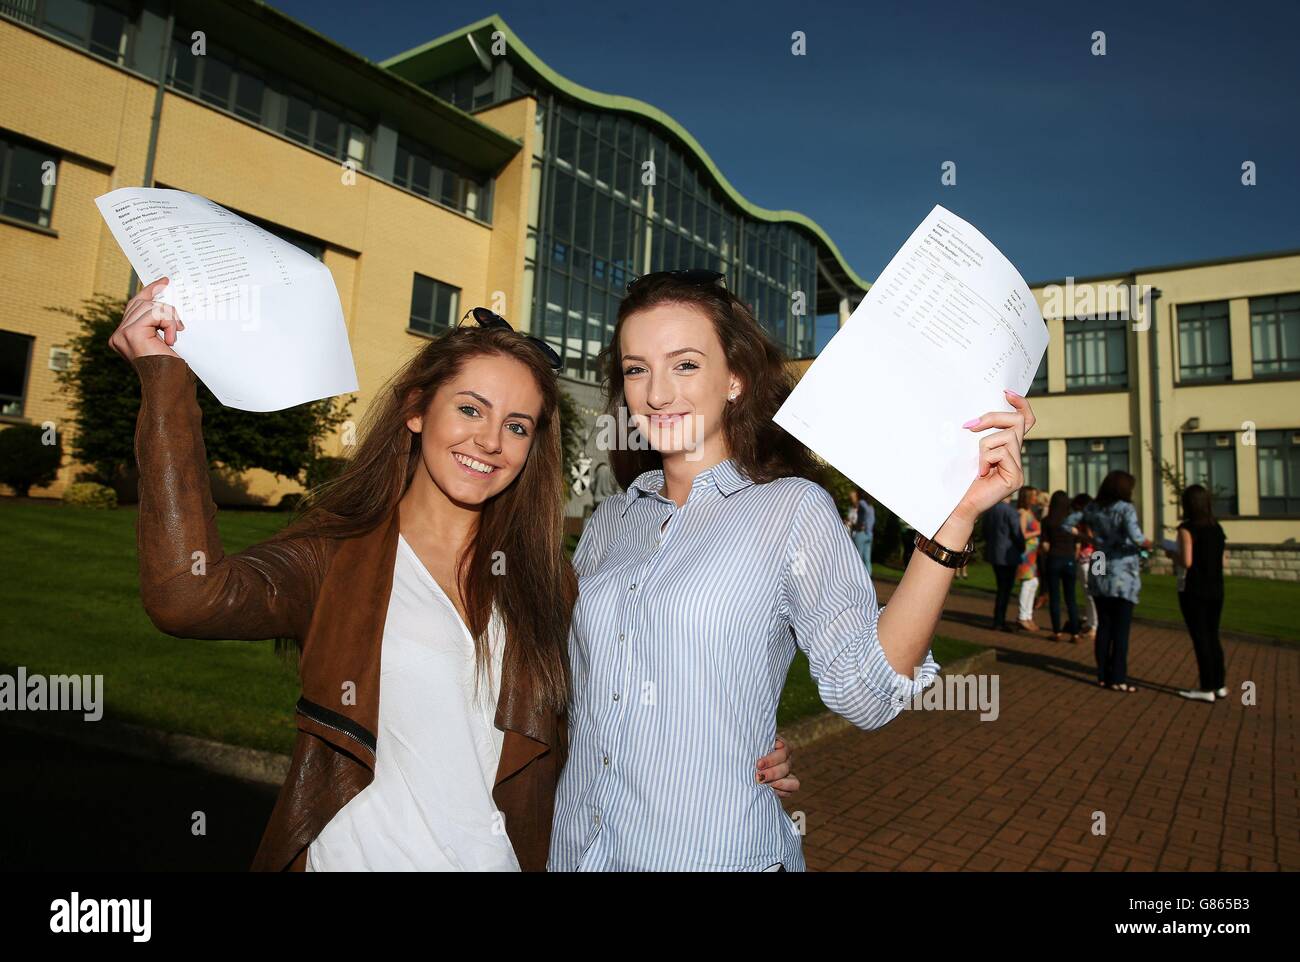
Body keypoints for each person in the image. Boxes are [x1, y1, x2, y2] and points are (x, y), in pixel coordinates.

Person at [111, 277, 795, 872]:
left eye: (518, 425)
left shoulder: (543, 581)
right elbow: (188, 596)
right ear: (417, 410)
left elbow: (616, 707)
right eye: (470, 408)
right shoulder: (336, 555)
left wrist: (738, 746)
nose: (490, 441)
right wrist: (165, 378)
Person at [548, 268, 1038, 871]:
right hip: (579, 851)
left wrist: (955, 519)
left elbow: (866, 690)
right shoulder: (609, 523)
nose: (656, 392)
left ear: (734, 379)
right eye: (636, 368)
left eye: (685, 364)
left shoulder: (790, 509)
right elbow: (575, 693)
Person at [1061, 471, 1151, 693]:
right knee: (1121, 629)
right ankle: (1118, 677)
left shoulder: (1092, 508)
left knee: (1104, 625)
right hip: (1122, 570)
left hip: (1099, 563)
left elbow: (1066, 523)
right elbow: (1137, 538)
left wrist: (1087, 538)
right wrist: (1150, 544)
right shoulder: (1125, 509)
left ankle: (1103, 674)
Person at [1169, 484, 1229, 703]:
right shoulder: (1217, 528)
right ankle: (1219, 683)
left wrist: (1171, 554)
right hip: (1216, 588)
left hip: (1194, 590)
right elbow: (1223, 559)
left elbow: (1186, 561)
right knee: (1213, 636)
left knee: (1201, 638)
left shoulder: (1187, 529)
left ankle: (1207, 687)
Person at [1040, 490, 1081, 642]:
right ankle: (1075, 633)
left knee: (1055, 597)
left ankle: (1057, 632)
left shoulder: (1047, 520)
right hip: (1069, 559)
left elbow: (1045, 545)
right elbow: (1077, 545)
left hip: (1054, 559)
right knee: (1071, 598)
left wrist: (1051, 554)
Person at [984, 492, 1025, 631]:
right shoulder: (1010, 512)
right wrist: (1022, 547)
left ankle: (998, 619)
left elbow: (985, 531)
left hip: (994, 553)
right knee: (1005, 589)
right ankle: (999, 621)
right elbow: (1017, 534)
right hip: (1008, 555)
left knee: (1001, 588)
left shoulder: (990, 511)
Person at [1071, 493, 1098, 641]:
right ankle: (1091, 622)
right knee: (1092, 592)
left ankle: (1094, 625)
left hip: (1088, 558)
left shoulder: (1087, 520)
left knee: (1090, 593)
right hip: (1098, 557)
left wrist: (1077, 533)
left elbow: (1091, 538)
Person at [1014, 486, 1041, 632]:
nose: (1036, 498)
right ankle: (1022, 617)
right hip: (1026, 553)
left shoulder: (1031, 512)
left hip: (1032, 553)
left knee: (1033, 582)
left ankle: (1027, 615)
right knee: (1028, 583)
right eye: (1034, 496)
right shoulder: (1023, 513)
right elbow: (1022, 534)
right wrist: (1037, 532)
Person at [845, 488, 875, 575]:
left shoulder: (861, 503)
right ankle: (868, 579)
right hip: (869, 534)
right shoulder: (871, 507)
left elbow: (864, 510)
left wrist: (862, 523)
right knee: (867, 559)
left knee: (858, 558)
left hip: (861, 533)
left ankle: (858, 578)